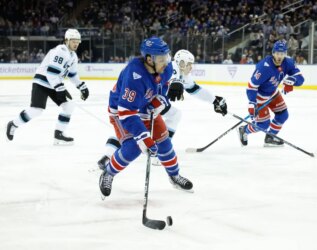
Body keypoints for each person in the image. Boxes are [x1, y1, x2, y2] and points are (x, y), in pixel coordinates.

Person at [97, 49, 227, 168]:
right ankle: (160, 150)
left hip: (143, 101)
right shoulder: (172, 67)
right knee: (171, 116)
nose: (191, 67)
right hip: (140, 101)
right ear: (181, 63)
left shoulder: (181, 73)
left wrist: (214, 100)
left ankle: (107, 156)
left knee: (130, 127)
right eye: (189, 64)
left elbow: (194, 89)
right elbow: (169, 78)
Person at [99, 37, 193, 198]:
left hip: (144, 106)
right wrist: (145, 138)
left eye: (167, 57)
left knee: (164, 142)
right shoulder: (134, 75)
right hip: (122, 111)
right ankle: (108, 174)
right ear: (149, 59)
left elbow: (163, 85)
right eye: (161, 59)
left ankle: (174, 175)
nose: (167, 62)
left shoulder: (166, 67)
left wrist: (160, 100)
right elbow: (127, 112)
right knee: (133, 148)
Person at [6, 29, 89, 145]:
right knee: (36, 111)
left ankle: (59, 134)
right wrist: (60, 88)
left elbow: (72, 74)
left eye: (78, 41)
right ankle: (13, 124)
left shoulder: (73, 56)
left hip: (54, 84)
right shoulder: (60, 51)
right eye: (73, 41)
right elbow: (51, 73)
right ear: (67, 40)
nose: (76, 43)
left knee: (69, 106)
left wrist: (81, 86)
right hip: (42, 81)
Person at [238, 40, 304, 147]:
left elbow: (301, 79)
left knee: (283, 115)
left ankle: (270, 137)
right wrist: (251, 102)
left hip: (273, 93)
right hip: (260, 97)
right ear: (273, 53)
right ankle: (244, 130)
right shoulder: (264, 67)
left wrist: (293, 80)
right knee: (263, 125)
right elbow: (251, 86)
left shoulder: (288, 62)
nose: (279, 56)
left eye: (282, 54)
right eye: (277, 53)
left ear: (285, 54)